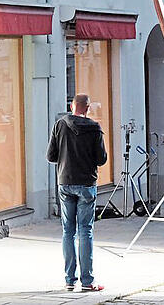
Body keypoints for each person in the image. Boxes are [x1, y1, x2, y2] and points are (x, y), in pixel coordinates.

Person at [47, 94, 108, 293]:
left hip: (65, 182)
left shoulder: (60, 125)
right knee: (85, 231)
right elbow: (101, 159)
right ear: (88, 108)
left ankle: (69, 281)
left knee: (68, 231)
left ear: (71, 106)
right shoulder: (95, 128)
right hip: (86, 184)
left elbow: (51, 156)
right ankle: (88, 281)